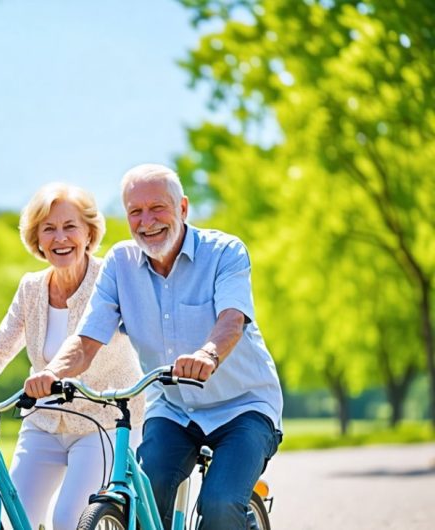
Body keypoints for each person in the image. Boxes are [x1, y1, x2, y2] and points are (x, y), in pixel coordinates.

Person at [25, 164, 283, 529]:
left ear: (182, 208)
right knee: (146, 498)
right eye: (135, 211)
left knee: (221, 503)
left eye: (158, 208)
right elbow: (85, 342)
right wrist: (51, 372)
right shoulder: (120, 263)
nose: (147, 221)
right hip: (174, 410)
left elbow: (232, 319)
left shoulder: (224, 252)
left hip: (243, 407)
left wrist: (207, 354)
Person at [0, 183, 144, 530]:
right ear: (37, 239)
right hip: (45, 421)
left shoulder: (110, 278)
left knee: (69, 520)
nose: (60, 238)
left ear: (89, 232)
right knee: (15, 519)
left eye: (69, 226)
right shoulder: (31, 288)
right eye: (49, 229)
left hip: (104, 422)